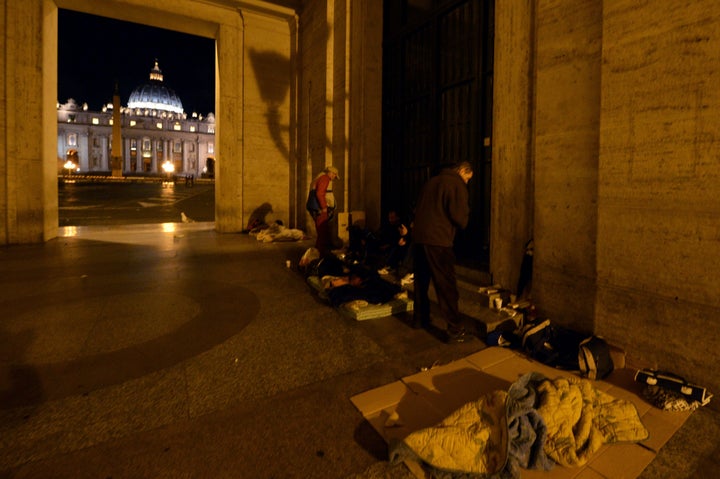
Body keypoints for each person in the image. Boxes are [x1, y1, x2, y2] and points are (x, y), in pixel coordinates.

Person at [412, 161, 473, 343]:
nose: (467, 182)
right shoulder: (456, 184)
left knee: (421, 282)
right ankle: (455, 330)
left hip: (419, 237)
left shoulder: (432, 181)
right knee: (446, 285)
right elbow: (460, 218)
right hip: (438, 240)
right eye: (468, 178)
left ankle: (419, 319)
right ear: (462, 170)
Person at [311, 166, 339, 256]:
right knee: (322, 231)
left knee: (322, 231)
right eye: (335, 175)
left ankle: (319, 251)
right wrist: (324, 207)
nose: (334, 177)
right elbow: (320, 193)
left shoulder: (320, 177)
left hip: (317, 208)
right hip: (320, 209)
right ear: (331, 173)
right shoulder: (325, 178)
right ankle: (321, 254)